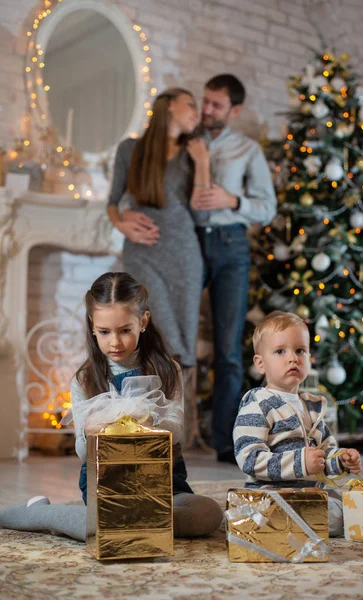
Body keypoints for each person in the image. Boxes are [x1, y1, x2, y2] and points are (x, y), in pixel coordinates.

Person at [0, 272, 223, 541]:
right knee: (102, 524)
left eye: (125, 330)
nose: (115, 342)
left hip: (163, 483)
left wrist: (150, 420)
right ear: (92, 325)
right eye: (104, 332)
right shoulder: (84, 379)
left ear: (143, 322)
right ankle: (38, 514)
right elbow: (83, 453)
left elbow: (179, 437)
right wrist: (89, 431)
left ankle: (127, 519)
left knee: (207, 514)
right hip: (107, 485)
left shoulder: (168, 370)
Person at [190, 74, 278, 463]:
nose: (207, 110)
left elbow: (267, 207)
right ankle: (169, 437)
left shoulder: (247, 149)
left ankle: (227, 445)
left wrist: (232, 198)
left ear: (234, 110)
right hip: (188, 243)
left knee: (228, 349)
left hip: (231, 247)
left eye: (216, 105)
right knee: (173, 340)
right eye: (205, 102)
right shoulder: (185, 141)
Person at [233, 310, 362, 537]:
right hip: (272, 493)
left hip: (311, 492)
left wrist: (341, 459)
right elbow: (249, 459)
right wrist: (301, 463)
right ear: (260, 363)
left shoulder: (312, 405)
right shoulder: (257, 404)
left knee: (355, 506)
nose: (293, 357)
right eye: (280, 351)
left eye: (300, 350)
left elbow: (325, 453)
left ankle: (308, 521)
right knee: (337, 517)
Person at [107, 88, 209, 372]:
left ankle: (179, 415)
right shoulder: (130, 149)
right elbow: (112, 201)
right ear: (169, 107)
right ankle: (145, 412)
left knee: (184, 344)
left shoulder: (194, 153)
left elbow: (202, 213)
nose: (196, 112)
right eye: (190, 104)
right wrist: (122, 224)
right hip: (142, 252)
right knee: (153, 330)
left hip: (184, 255)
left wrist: (203, 163)